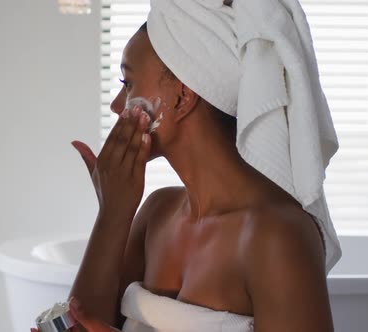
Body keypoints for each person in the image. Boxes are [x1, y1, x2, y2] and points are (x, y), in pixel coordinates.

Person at [33, 0, 340, 331]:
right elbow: (84, 321)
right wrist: (112, 214)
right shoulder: (157, 213)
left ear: (182, 96)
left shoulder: (278, 235)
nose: (116, 105)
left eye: (128, 83)